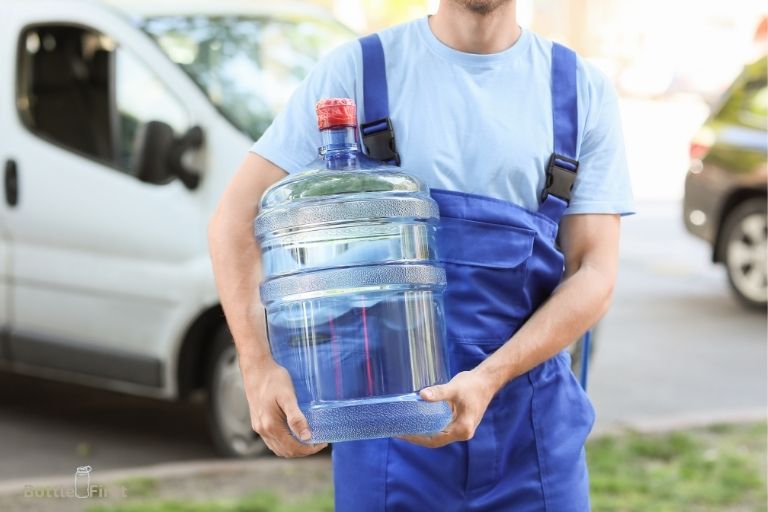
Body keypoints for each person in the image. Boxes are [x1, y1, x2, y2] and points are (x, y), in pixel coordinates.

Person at [207, 0, 634, 510]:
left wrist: (489, 377)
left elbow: (595, 269)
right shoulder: (359, 72)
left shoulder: (580, 90)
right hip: (385, 430)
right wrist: (258, 368)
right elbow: (234, 221)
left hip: (534, 434)